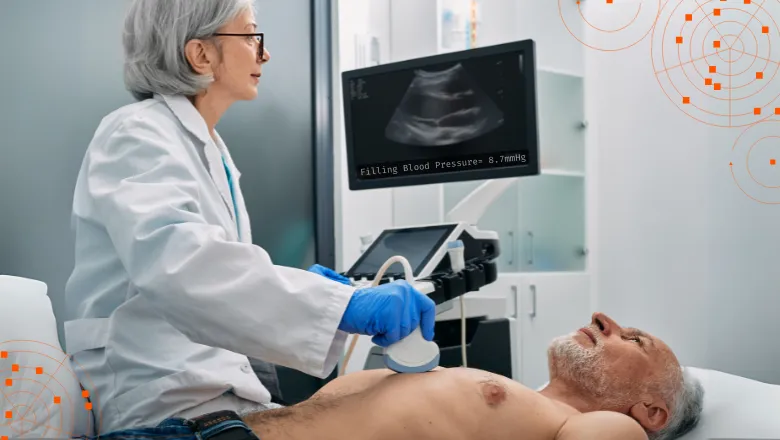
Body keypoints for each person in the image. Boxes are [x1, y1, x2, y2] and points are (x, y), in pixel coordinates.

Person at [63, 0, 436, 434]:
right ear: (202, 54)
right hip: (162, 403)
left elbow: (213, 277)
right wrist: (340, 306)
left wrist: (310, 294)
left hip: (211, 396)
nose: (265, 53)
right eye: (251, 36)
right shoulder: (136, 133)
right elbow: (188, 271)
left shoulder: (206, 146)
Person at [88, 312, 704, 440]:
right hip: (209, 430)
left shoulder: (608, 430)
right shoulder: (522, 403)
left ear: (649, 411)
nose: (604, 319)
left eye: (634, 339)